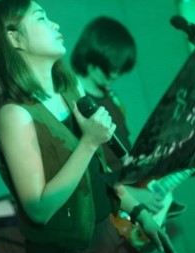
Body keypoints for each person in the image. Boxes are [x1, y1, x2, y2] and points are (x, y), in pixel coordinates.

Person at [0, 0, 184, 253]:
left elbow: (100, 173)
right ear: (14, 38)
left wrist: (138, 210)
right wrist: (87, 142)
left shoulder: (71, 90)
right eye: (41, 18)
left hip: (111, 237)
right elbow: (38, 208)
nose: (55, 24)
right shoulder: (13, 115)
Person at [71, 16, 186, 219]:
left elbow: (124, 152)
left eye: (120, 69)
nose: (116, 74)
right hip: (110, 205)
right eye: (112, 66)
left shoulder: (112, 96)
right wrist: (132, 194)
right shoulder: (74, 100)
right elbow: (80, 169)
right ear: (93, 55)